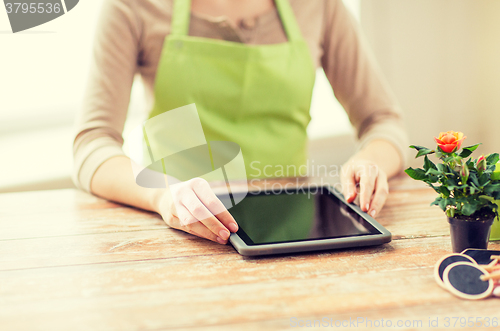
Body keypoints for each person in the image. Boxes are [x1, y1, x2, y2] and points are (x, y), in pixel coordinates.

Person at [73, 0, 408, 245]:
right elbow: (92, 144)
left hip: (294, 237)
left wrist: (370, 161)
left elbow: (383, 121)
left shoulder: (320, 6)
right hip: (185, 239)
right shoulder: (131, 7)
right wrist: (163, 196)